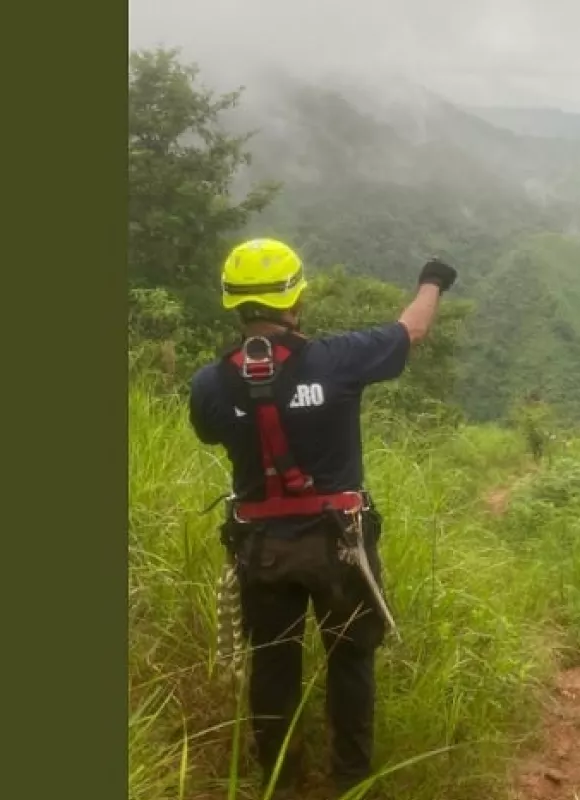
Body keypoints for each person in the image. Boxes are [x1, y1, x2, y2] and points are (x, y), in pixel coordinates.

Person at [188, 238, 457, 799]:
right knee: (350, 660)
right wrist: (432, 279)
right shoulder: (339, 360)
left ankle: (281, 786)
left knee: (272, 668)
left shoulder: (210, 386)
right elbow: (411, 329)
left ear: (233, 303)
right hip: (341, 546)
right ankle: (351, 784)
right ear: (296, 300)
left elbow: (213, 431)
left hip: (262, 551)